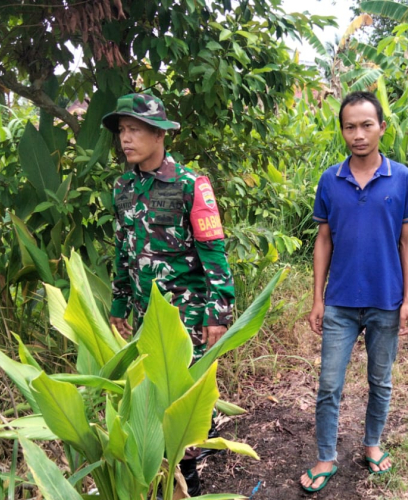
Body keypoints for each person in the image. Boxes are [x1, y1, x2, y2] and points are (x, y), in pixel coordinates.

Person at [102, 92, 235, 496]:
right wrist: (120, 304)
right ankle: (168, 483)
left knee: (185, 414)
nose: (126, 139)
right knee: (155, 403)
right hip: (147, 319)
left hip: (189, 318)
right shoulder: (122, 188)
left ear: (160, 134)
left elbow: (214, 252)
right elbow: (122, 251)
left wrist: (218, 311)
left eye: (135, 130)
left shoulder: (191, 184)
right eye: (122, 131)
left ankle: (188, 486)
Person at [299, 91, 408, 493]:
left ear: (382, 128)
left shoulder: (401, 178)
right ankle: (325, 456)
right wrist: (317, 299)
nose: (359, 134)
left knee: (380, 381)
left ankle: (372, 445)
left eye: (367, 124)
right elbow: (323, 240)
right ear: (342, 131)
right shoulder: (330, 180)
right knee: (329, 384)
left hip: (386, 302)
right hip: (339, 303)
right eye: (350, 126)